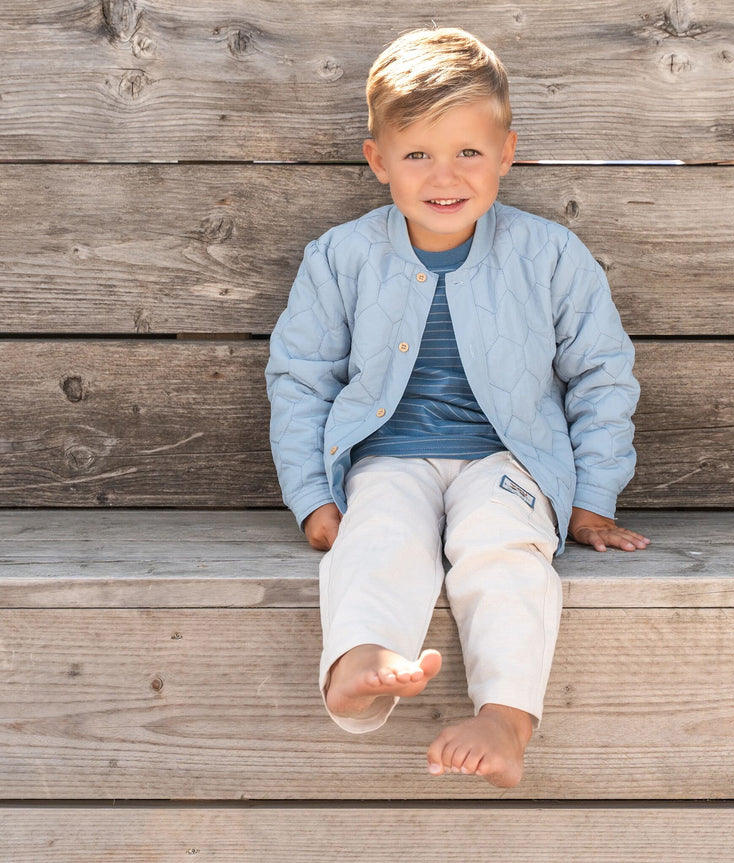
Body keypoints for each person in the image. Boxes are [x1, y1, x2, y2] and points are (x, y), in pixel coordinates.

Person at [266, 27, 649, 788]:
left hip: (510, 459)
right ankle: (360, 660)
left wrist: (593, 499)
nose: (445, 176)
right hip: (386, 457)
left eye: (469, 151)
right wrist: (312, 495)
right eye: (417, 154)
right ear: (378, 160)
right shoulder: (341, 257)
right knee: (378, 533)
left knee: (504, 547)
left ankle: (505, 718)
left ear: (507, 152)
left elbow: (602, 376)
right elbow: (301, 379)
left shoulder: (549, 256)